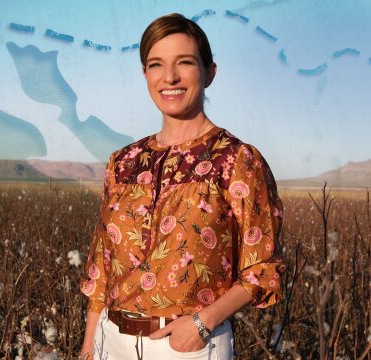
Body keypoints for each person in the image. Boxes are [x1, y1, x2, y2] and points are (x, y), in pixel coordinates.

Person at [79, 13, 284, 359]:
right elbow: (102, 267)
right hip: (109, 341)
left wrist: (203, 323)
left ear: (209, 72)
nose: (169, 77)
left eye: (184, 63)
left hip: (187, 346)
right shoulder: (123, 161)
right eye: (156, 64)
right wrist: (89, 346)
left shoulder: (236, 160)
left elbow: (262, 270)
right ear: (145, 74)